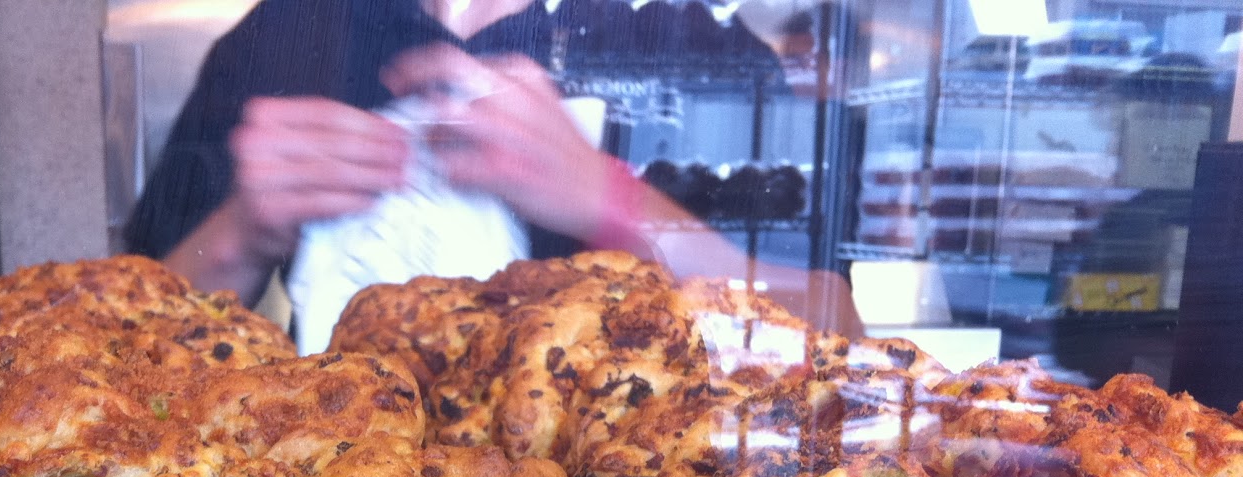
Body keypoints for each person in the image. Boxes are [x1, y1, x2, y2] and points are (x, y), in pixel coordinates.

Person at [124, 0, 857, 330]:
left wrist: (611, 202)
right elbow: (125, 359)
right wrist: (240, 235)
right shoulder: (285, 34)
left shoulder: (685, 39)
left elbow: (836, 334)